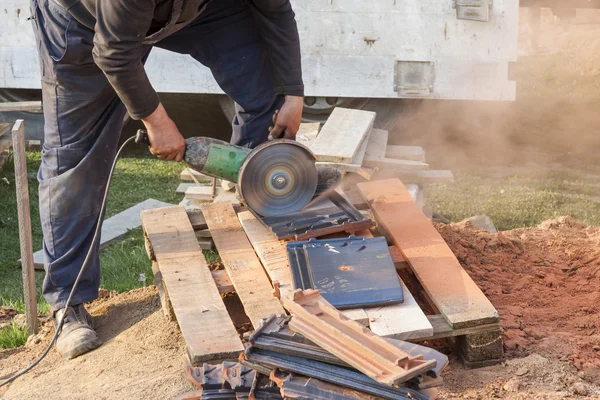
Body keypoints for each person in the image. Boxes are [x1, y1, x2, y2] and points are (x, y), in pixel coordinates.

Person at [31, 0, 304, 359]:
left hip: (192, 9)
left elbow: (275, 10)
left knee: (269, 89)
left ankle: (259, 235)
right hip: (84, 21)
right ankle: (68, 302)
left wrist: (293, 90)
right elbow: (114, 53)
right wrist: (157, 121)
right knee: (76, 157)